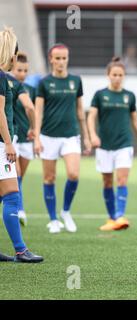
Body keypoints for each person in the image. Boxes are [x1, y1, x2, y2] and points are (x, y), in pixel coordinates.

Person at [35, 43, 91, 234]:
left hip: (71, 135)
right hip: (48, 136)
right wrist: (36, 137)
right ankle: (53, 220)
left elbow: (80, 110)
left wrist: (86, 136)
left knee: (73, 174)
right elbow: (38, 111)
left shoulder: (76, 80)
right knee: (49, 178)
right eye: (57, 58)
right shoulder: (43, 83)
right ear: (51, 59)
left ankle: (65, 211)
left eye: (64, 58)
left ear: (68, 59)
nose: (61, 62)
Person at [87, 57, 137, 231]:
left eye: (120, 75)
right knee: (107, 182)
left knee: (122, 180)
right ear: (108, 75)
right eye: (114, 74)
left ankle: (120, 215)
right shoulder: (100, 95)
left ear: (124, 76)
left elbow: (135, 120)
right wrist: (92, 136)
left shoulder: (129, 96)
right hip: (104, 145)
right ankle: (112, 218)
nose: (117, 77)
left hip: (124, 144)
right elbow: (91, 117)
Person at [0, 27, 42, 262]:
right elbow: (0, 114)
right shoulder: (1, 78)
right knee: (13, 194)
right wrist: (8, 143)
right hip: (0, 144)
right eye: (15, 53)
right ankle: (20, 249)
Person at [9, 52, 36, 226]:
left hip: (28, 137)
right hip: (13, 136)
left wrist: (35, 131)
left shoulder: (31, 90)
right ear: (13, 68)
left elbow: (34, 110)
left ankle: (16, 205)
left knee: (20, 177)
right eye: (19, 70)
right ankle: (19, 209)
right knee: (16, 173)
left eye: (25, 70)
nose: (22, 73)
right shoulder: (8, 86)